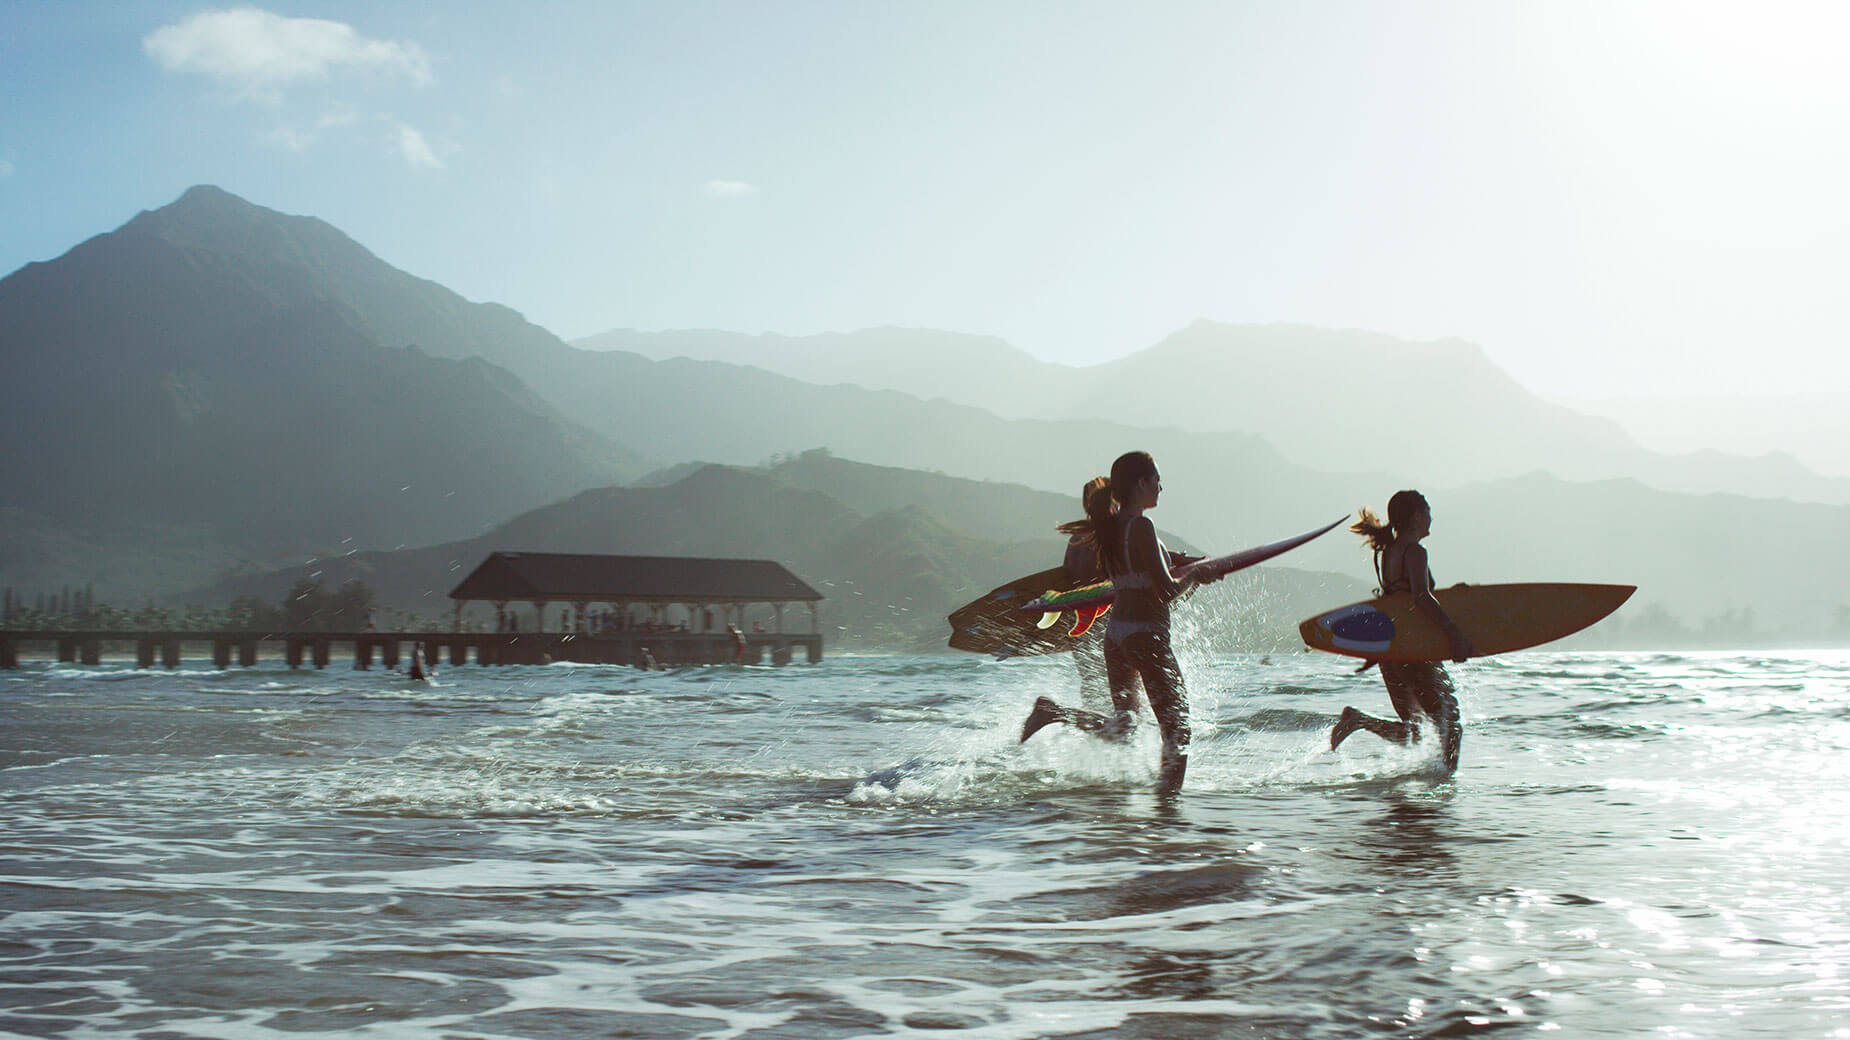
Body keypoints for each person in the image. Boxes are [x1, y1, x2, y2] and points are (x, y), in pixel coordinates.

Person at [1020, 451, 1222, 794]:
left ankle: (1056, 713)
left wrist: (1176, 560)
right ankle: (1166, 811)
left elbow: (1137, 567)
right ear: (1141, 483)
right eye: (1157, 480)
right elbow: (1167, 591)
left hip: (1116, 637)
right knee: (1178, 730)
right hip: (1146, 636)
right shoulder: (1141, 526)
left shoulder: (1109, 528)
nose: (1161, 487)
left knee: (1126, 725)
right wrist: (1197, 575)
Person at [1329, 490, 1472, 774]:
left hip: (1393, 650)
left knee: (1418, 731)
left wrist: (1452, 597)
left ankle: (1359, 721)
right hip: (1415, 650)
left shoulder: (1389, 553)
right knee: (1450, 725)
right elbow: (1420, 597)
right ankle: (1441, 795)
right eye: (1428, 512)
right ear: (1418, 517)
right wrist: (1454, 633)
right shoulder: (1415, 551)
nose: (1431, 518)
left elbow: (1401, 598)